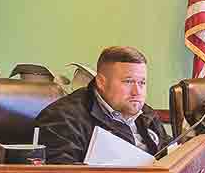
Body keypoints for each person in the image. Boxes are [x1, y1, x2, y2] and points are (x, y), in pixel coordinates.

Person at [36, 46, 170, 164]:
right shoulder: (62, 118)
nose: (137, 92)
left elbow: (169, 152)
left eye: (142, 83)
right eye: (128, 82)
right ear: (101, 82)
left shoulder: (145, 113)